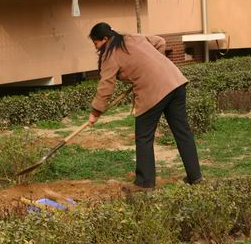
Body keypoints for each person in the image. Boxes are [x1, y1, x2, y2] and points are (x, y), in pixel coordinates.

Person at [87, 22, 203, 189]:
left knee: (144, 137)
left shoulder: (110, 53)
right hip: (176, 82)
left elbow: (106, 84)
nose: (96, 47)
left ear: (105, 39)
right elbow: (160, 42)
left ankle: (144, 182)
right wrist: (150, 65)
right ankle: (195, 177)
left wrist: (95, 112)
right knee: (182, 132)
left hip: (153, 92)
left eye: (96, 43)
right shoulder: (133, 37)